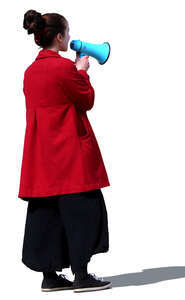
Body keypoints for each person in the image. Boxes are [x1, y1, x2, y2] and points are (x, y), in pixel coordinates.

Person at [20, 9, 112, 293]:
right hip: (70, 152)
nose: (69, 38)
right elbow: (86, 100)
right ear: (59, 37)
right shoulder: (64, 69)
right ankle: (81, 275)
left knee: (46, 213)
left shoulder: (30, 71)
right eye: (67, 34)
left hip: (42, 156)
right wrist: (81, 72)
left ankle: (49, 276)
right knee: (81, 210)